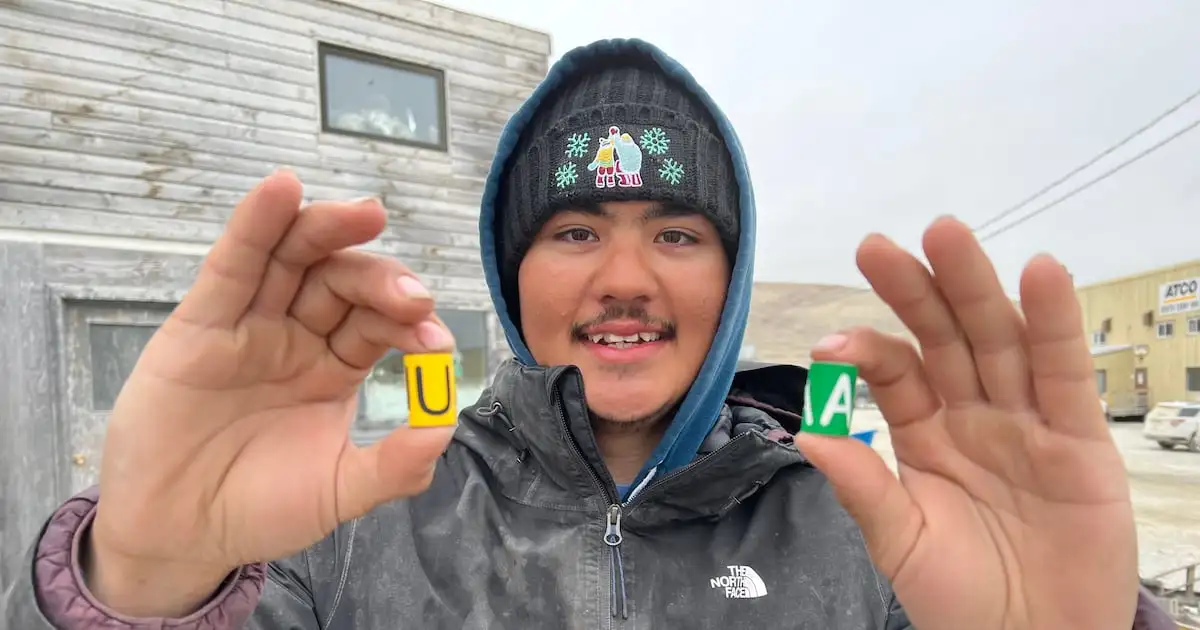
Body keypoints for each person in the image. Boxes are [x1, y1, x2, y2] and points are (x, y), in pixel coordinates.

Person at [0, 39, 1175, 630]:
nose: (623, 279)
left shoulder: (875, 536)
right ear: (511, 275)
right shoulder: (349, 525)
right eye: (572, 231)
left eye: (675, 234)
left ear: (735, 270)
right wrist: (142, 583)